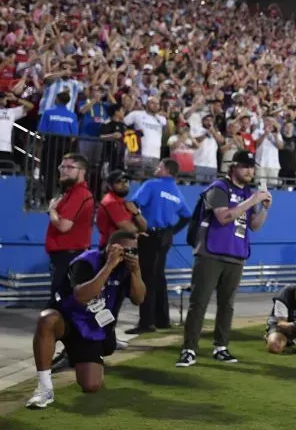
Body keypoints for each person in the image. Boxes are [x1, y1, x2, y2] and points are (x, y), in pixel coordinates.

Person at [25, 230, 146, 409]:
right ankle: (44, 388)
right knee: (46, 319)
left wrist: (136, 272)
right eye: (124, 250)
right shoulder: (86, 262)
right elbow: (82, 296)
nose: (127, 255)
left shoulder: (128, 269)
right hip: (67, 319)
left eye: (132, 251)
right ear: (110, 248)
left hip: (92, 328)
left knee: (91, 385)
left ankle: (73, 354)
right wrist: (109, 266)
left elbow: (139, 299)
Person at [176, 150, 272, 367]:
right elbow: (223, 217)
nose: (250, 171)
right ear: (233, 167)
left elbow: (254, 226)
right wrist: (252, 200)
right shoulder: (219, 187)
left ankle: (221, 347)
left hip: (236, 255)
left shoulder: (248, 192)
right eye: (245, 166)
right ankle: (189, 349)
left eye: (252, 167)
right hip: (211, 253)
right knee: (198, 302)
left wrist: (264, 209)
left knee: (227, 305)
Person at [126, 158, 191, 334]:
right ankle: (162, 319)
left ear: (166, 170)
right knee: (159, 277)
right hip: (165, 238)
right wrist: (172, 231)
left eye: (159, 166)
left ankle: (147, 322)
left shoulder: (151, 185)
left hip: (149, 235)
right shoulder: (176, 191)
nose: (157, 168)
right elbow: (186, 215)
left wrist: (135, 226)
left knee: (146, 278)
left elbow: (134, 205)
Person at [44, 153, 94, 307]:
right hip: (63, 257)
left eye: (70, 167)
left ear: (82, 171)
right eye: (62, 166)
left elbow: (64, 226)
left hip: (70, 258)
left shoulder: (80, 194)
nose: (64, 170)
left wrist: (52, 210)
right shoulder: (70, 192)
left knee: (59, 306)